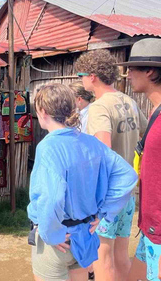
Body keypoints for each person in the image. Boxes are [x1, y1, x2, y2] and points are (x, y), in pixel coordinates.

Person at [28, 83, 137, 281]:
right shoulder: (91, 142)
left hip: (59, 241)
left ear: (42, 111)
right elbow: (128, 176)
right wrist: (104, 211)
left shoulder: (48, 147)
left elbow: (51, 198)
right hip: (85, 236)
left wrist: (51, 234)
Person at [75, 49, 148, 281]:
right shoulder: (129, 101)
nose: (81, 80)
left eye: (81, 75)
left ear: (93, 76)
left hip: (107, 195)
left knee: (101, 258)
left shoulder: (98, 107)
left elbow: (102, 151)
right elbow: (146, 133)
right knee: (120, 256)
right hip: (127, 193)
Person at [118, 38, 161, 281]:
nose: (127, 74)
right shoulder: (154, 112)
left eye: (132, 68)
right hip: (149, 228)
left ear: (150, 70)